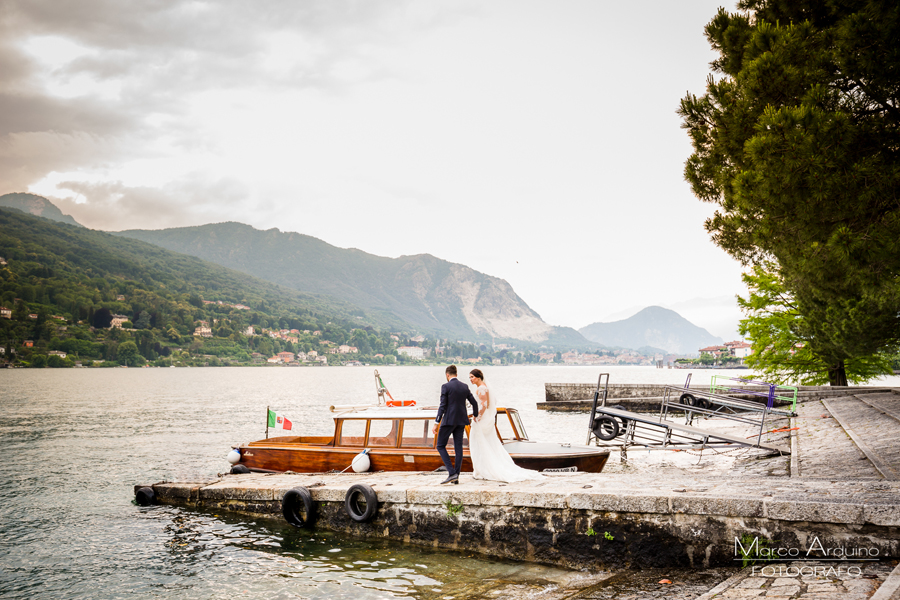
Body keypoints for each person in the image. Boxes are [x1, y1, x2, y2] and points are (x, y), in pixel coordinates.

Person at [467, 368, 543, 482]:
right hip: (485, 418)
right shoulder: (483, 387)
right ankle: (481, 468)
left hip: (481, 419)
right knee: (485, 442)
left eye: (472, 377)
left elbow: (484, 404)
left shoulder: (481, 388)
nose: (470, 379)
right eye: (470, 377)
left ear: (478, 377)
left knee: (477, 441)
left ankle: (483, 469)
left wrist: (478, 417)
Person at [432, 365, 478, 484]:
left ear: (447, 375)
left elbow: (442, 406)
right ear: (456, 374)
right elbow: (474, 403)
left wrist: (436, 423)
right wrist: (475, 416)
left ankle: (452, 473)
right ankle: (456, 475)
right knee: (459, 448)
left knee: (440, 446)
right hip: (461, 421)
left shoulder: (445, 386)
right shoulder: (464, 386)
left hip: (448, 421)